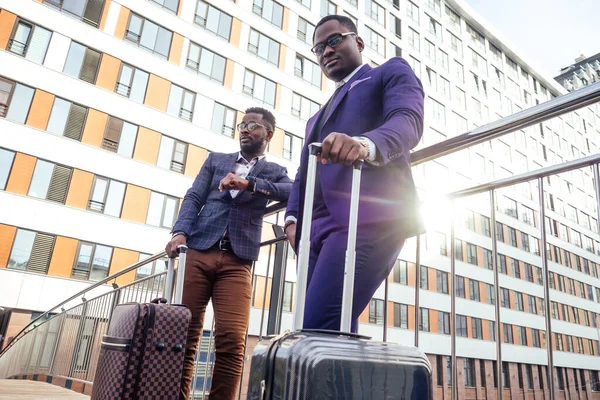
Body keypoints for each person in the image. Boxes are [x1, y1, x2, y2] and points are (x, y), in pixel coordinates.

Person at [284, 15, 425, 333]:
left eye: (334, 40)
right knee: (328, 331)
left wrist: (365, 144)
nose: (326, 51)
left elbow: (407, 120)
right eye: (319, 48)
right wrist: (292, 219)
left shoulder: (389, 71)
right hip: (313, 232)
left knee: (316, 327)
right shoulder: (315, 118)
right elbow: (303, 173)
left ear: (358, 42)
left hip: (366, 219)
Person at [166, 107, 293, 400]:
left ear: (268, 134)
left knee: (232, 342)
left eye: (253, 125)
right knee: (183, 338)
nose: (245, 129)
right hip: (198, 250)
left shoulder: (273, 171)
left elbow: (291, 191)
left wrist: (248, 184)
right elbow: (194, 196)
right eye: (242, 125)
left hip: (237, 261)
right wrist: (179, 232)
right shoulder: (216, 160)